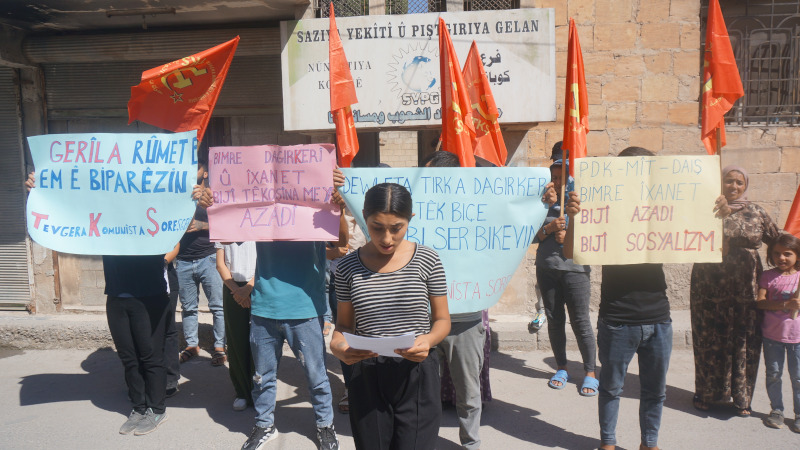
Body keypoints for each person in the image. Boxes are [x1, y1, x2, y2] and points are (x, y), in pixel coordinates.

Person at [25, 172, 213, 436]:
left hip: (150, 293)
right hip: (116, 294)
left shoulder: (156, 207)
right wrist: (42, 189)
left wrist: (197, 198)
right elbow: (68, 207)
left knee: (150, 355)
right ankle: (139, 406)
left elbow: (182, 219)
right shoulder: (105, 212)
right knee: (128, 356)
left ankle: (157, 409)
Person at [563, 147, 711, 450]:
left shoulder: (662, 209)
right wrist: (574, 217)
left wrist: (714, 211)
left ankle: (649, 443)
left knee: (655, 391)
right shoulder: (602, 209)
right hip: (617, 320)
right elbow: (570, 252)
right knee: (611, 388)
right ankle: (608, 443)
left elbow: (699, 222)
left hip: (659, 319)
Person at [330, 182, 450, 450]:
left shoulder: (428, 260)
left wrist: (428, 341)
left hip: (417, 370)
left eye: (396, 228)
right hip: (367, 373)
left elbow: (442, 320)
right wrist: (337, 346)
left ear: (410, 219)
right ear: (364, 216)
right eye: (377, 227)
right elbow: (344, 325)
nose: (386, 238)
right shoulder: (347, 267)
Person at [241, 169, 347, 450]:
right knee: (262, 376)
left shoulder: (316, 206)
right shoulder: (261, 204)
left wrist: (337, 207)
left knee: (316, 374)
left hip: (305, 308)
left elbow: (341, 243)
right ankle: (264, 424)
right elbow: (227, 236)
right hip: (265, 305)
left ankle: (325, 425)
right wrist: (214, 202)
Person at [690, 165, 780, 416]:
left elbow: (778, 241)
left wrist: (786, 273)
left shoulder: (757, 212)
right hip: (708, 285)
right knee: (708, 336)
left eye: (739, 182)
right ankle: (705, 393)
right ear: (721, 183)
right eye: (729, 181)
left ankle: (742, 398)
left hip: (746, 287)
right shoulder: (706, 208)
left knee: (745, 338)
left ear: (745, 186)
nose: (734, 186)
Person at [420, 149, 488, 449]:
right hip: (424, 316)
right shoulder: (415, 211)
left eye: (430, 176)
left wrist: (542, 203)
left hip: (465, 318)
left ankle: (471, 443)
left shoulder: (479, 208)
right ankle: (423, 441)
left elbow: (515, 224)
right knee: (422, 390)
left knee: (468, 390)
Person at [534, 142, 597, 396]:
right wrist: (549, 229)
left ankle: (590, 372)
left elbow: (597, 232)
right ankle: (561, 367)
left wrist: (569, 233)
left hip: (575, 269)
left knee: (580, 321)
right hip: (547, 267)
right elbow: (530, 236)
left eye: (564, 176)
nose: (558, 181)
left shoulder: (584, 198)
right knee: (554, 319)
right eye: (555, 176)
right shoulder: (541, 200)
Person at [177, 161, 227, 366]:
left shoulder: (213, 196)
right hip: (183, 260)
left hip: (209, 257)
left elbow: (226, 222)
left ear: (205, 173)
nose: (192, 171)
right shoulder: (178, 195)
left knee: (218, 306)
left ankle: (219, 347)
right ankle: (192, 345)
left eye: (196, 167)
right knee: (188, 307)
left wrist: (201, 225)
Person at [756, 232, 800, 432]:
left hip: (797, 338)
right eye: (776, 253)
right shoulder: (768, 276)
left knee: (798, 377)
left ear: (797, 255)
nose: (781, 257)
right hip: (772, 336)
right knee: (774, 374)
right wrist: (785, 304)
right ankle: (777, 410)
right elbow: (761, 302)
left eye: (787, 254)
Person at [216, 241, 257, 411]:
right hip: (232, 288)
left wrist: (249, 288)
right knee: (236, 340)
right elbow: (220, 264)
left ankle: (259, 391)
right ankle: (241, 392)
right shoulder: (224, 228)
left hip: (258, 285)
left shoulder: (260, 227)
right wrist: (237, 290)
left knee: (260, 341)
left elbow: (268, 261)